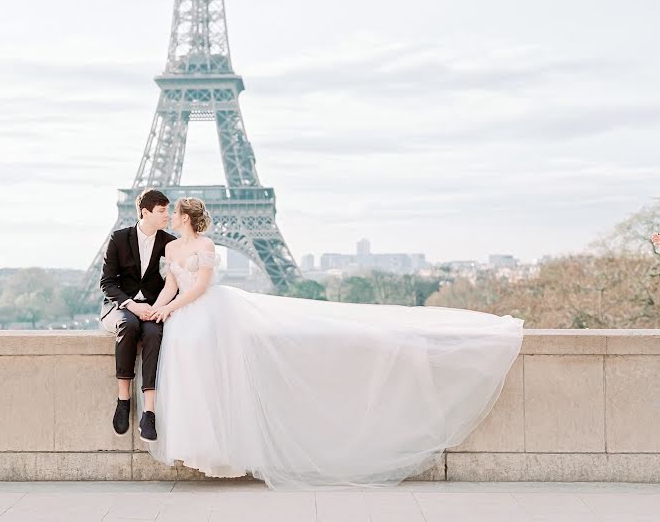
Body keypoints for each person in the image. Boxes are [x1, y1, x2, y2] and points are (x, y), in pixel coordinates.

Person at [132, 197, 525, 490]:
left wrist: (168, 312)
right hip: (184, 319)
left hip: (204, 316)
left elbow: (200, 287)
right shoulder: (171, 248)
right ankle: (200, 447)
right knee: (192, 383)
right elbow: (171, 284)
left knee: (214, 381)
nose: (170, 216)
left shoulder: (206, 247)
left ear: (185, 217)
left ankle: (221, 451)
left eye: (174, 212)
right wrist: (156, 309)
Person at [98, 188, 176, 442]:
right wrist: (131, 305)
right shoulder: (119, 238)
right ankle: (123, 399)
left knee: (154, 333)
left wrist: (157, 308)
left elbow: (175, 281)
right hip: (124, 307)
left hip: (153, 307)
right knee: (128, 326)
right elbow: (107, 283)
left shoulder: (169, 241)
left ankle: (148, 412)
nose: (168, 215)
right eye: (162, 211)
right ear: (145, 212)